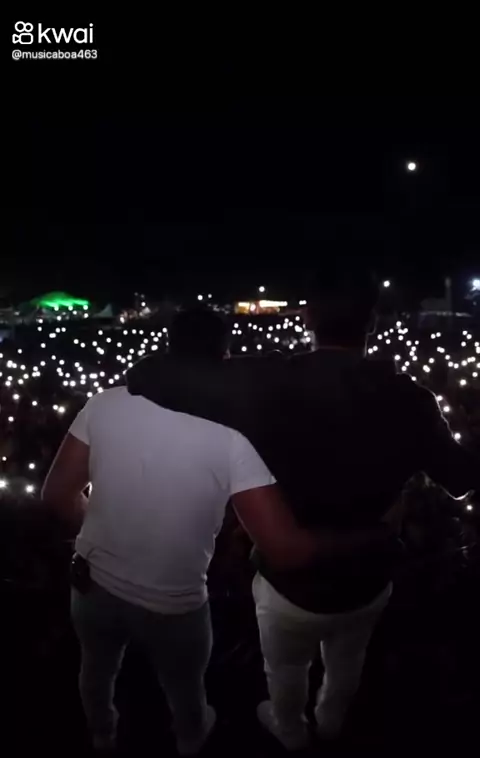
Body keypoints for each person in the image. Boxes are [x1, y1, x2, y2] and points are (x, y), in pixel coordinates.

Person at [127, 273, 480, 750]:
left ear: (308, 317)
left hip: (287, 582)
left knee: (285, 666)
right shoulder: (410, 398)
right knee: (348, 659)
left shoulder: (264, 381)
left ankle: (291, 729)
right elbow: (461, 479)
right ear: (372, 321)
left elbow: (148, 380)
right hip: (368, 575)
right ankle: (332, 725)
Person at [42, 306, 390, 755]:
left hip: (91, 584)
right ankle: (191, 739)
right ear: (225, 356)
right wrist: (372, 537)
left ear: (169, 344)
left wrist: (104, 534)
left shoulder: (104, 403)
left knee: (95, 668)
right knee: (185, 691)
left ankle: (101, 735)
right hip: (173, 604)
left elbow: (57, 495)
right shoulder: (231, 436)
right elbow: (284, 549)